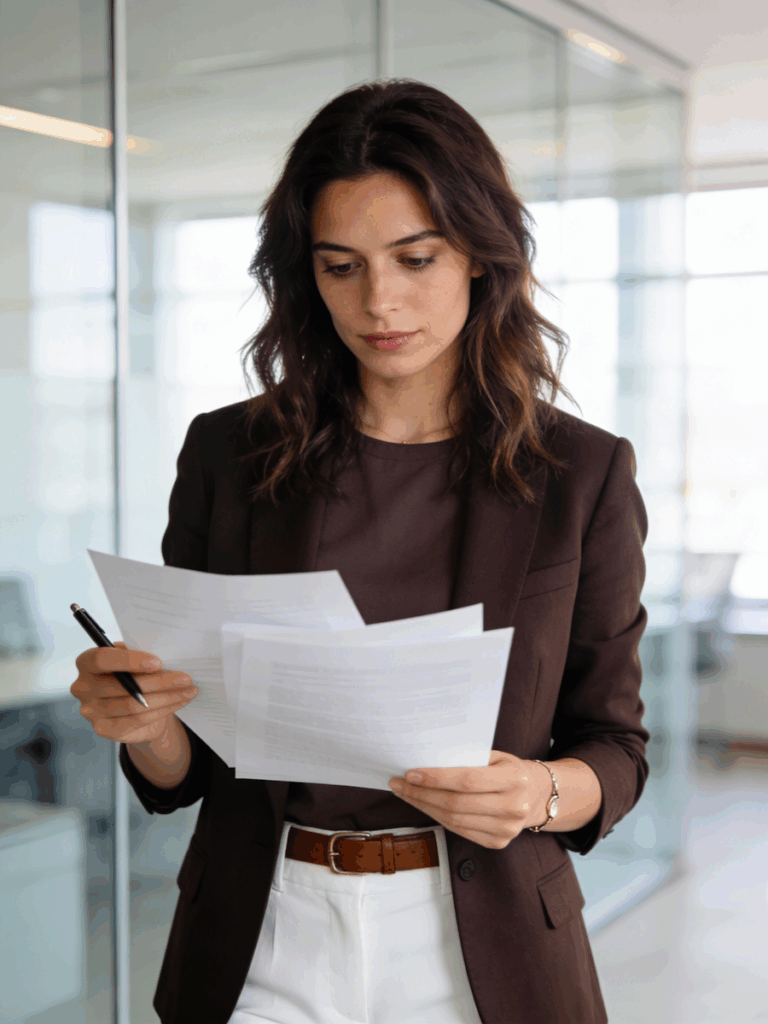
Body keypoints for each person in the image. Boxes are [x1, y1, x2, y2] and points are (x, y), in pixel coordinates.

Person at [70, 79, 649, 1024]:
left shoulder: (580, 474)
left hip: (484, 944)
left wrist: (542, 793)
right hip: (265, 928)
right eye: (341, 267)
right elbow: (189, 769)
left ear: (480, 257)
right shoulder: (227, 454)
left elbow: (617, 746)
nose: (380, 301)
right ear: (308, 277)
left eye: (414, 258)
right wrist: (146, 725)